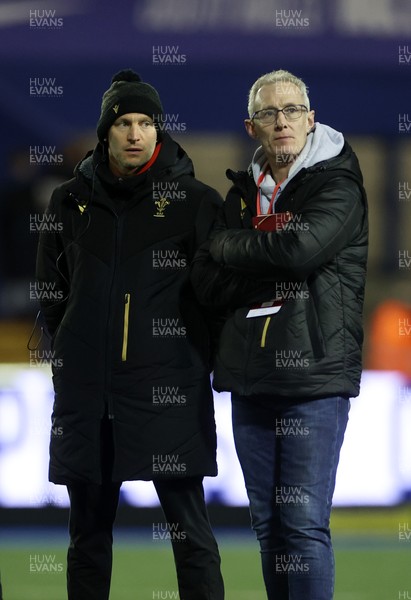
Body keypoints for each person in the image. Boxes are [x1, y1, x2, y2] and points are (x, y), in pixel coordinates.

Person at [35, 69, 225, 600]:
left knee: (190, 534)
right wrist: (77, 348)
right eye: (123, 122)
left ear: (159, 132)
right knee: (87, 539)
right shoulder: (68, 202)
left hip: (169, 393)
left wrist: (184, 359)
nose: (135, 133)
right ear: (106, 132)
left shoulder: (195, 202)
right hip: (89, 398)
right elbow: (51, 294)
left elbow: (215, 298)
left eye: (145, 122)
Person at [191, 69, 368, 599]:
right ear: (253, 128)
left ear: (310, 120)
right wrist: (240, 254)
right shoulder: (243, 194)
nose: (282, 120)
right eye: (269, 113)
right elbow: (203, 278)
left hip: (313, 375)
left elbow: (298, 252)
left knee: (303, 527)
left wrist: (230, 247)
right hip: (250, 377)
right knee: (270, 529)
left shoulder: (337, 183)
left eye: (292, 110)